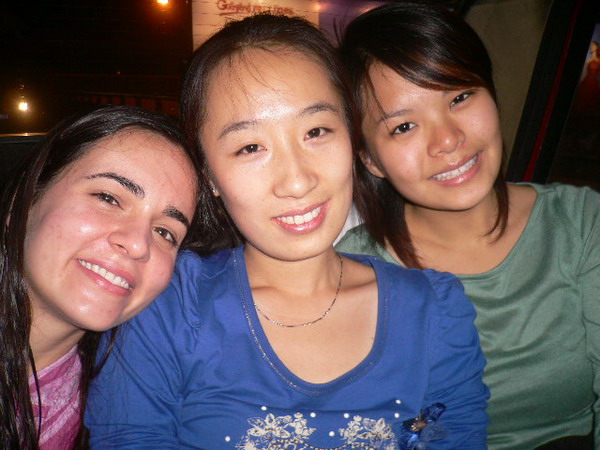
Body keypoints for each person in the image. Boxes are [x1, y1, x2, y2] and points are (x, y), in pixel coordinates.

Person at [86, 13, 488, 449]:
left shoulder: (435, 311)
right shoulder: (169, 306)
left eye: (316, 131)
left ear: (351, 138)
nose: (296, 181)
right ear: (210, 176)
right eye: (250, 147)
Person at [335, 3, 600, 449]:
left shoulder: (581, 225)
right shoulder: (353, 270)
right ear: (369, 159)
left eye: (459, 97)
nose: (448, 140)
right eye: (404, 126)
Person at [0, 105, 200, 449]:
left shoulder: (120, 409)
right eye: (108, 198)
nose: (138, 244)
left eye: (165, 232)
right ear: (25, 199)